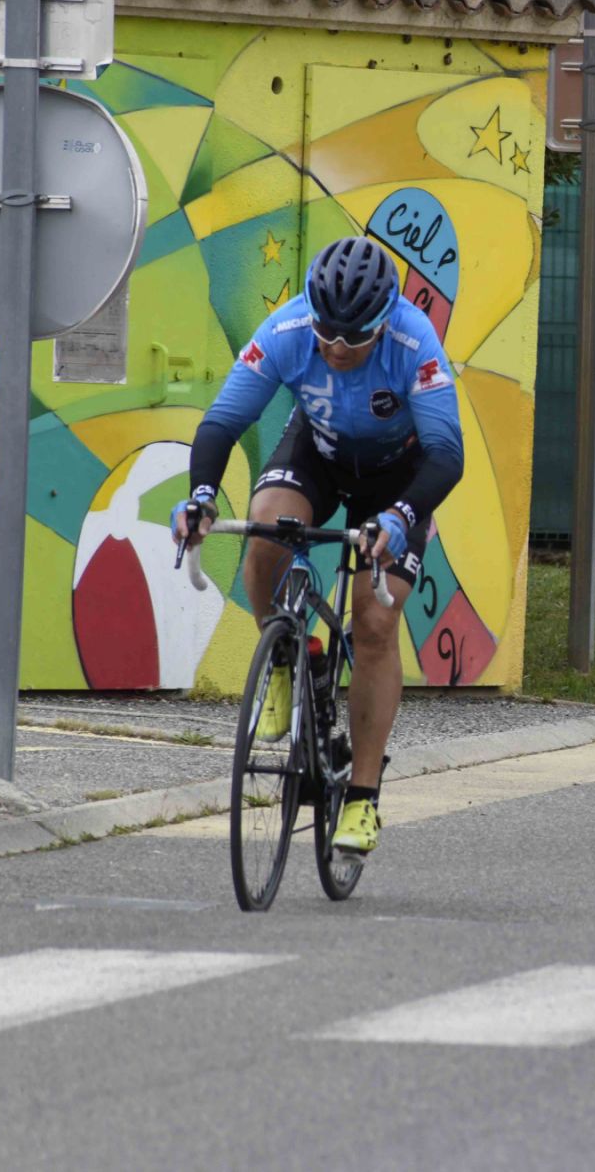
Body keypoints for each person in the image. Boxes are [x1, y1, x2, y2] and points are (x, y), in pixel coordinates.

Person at [171, 236, 463, 858]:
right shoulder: (288, 328)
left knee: (375, 621)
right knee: (265, 528)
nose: (335, 347)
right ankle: (286, 656)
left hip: (399, 478)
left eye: (354, 338)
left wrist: (402, 515)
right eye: (327, 331)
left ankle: (362, 796)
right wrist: (200, 498)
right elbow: (223, 421)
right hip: (320, 453)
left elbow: (446, 454)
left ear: (384, 322)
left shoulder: (415, 342)